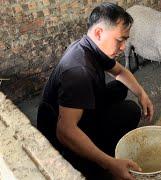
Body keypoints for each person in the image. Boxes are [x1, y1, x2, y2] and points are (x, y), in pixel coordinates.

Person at [36, 3, 154, 179]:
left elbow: (120, 72)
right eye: (120, 40)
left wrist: (142, 94)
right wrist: (110, 163)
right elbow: (65, 131)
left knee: (121, 86)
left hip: (75, 110)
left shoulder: (91, 46)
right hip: (58, 136)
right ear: (99, 33)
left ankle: (102, 146)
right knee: (130, 111)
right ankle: (100, 158)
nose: (123, 47)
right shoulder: (79, 70)